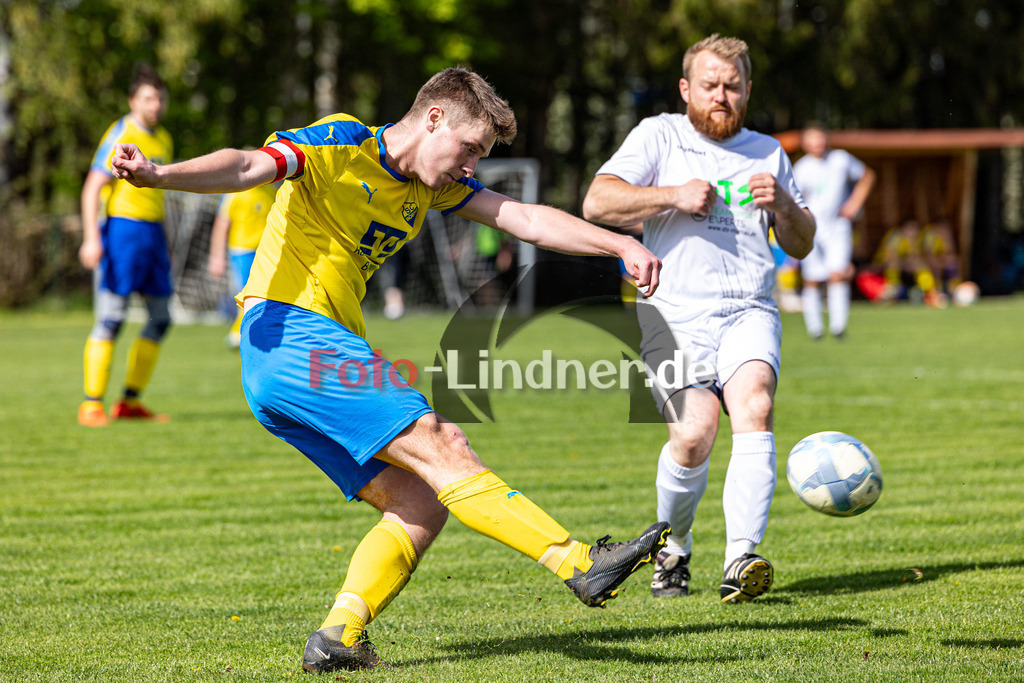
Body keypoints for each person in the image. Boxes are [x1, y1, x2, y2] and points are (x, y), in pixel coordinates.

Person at [109, 67, 670, 672]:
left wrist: (619, 244)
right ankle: (580, 563)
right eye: (469, 148)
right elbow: (249, 167)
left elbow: (524, 218)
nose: (470, 166)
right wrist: (158, 174)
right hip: (292, 331)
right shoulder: (342, 142)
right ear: (433, 119)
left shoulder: (428, 187)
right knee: (444, 442)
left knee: (422, 502)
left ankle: (338, 636)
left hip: (279, 364)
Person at [582, 35, 815, 604]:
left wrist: (785, 205)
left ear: (747, 90)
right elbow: (597, 203)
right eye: (709, 85)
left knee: (755, 406)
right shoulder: (659, 135)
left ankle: (742, 558)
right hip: (672, 312)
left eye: (733, 86)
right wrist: (673, 195)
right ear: (686, 88)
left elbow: (804, 243)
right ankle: (675, 546)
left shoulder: (768, 151)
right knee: (692, 437)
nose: (721, 95)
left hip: (750, 308)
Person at [78, 64, 174, 427]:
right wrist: (91, 238)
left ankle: (130, 402)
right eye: (149, 98)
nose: (156, 104)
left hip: (153, 235)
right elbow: (93, 187)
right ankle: (91, 404)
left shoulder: (163, 138)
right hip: (123, 233)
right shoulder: (123, 132)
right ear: (133, 101)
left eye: (161, 97)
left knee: (162, 318)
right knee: (112, 318)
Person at [793, 122, 876, 339]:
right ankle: (815, 329)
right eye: (812, 139)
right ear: (805, 143)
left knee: (838, 274)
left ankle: (839, 327)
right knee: (812, 278)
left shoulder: (841, 159)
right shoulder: (801, 168)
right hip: (812, 227)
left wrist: (854, 204)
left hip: (837, 225)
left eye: (820, 138)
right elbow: (795, 199)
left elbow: (867, 176)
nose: (817, 144)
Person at [207, 182, 277, 347]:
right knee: (246, 292)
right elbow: (222, 224)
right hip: (242, 251)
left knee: (266, 293)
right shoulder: (235, 192)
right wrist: (216, 257)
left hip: (266, 251)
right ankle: (239, 333)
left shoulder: (270, 191)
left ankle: (248, 332)